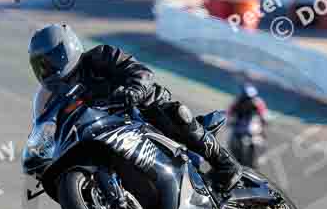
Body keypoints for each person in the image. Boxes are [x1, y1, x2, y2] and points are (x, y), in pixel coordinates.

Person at [28, 24, 242, 192]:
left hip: (139, 111)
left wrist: (134, 91)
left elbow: (140, 71)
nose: (46, 70)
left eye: (49, 61)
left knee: (174, 114)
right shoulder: (55, 96)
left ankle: (226, 165)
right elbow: (47, 123)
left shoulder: (99, 57)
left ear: (67, 49)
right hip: (102, 132)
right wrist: (41, 152)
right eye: (40, 65)